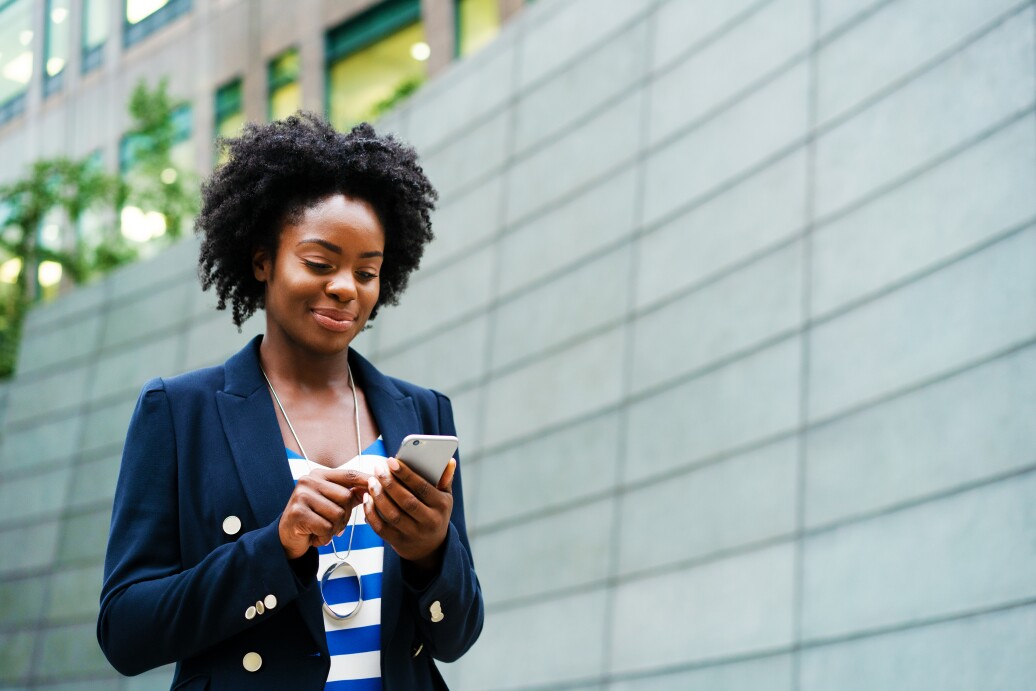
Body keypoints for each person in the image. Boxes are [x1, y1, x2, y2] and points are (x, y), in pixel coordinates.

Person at [97, 113, 484, 689]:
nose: (346, 287)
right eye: (320, 264)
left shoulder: (422, 412)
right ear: (262, 261)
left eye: (367, 271)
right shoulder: (180, 413)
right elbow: (126, 632)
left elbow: (457, 638)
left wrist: (432, 552)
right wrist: (276, 549)